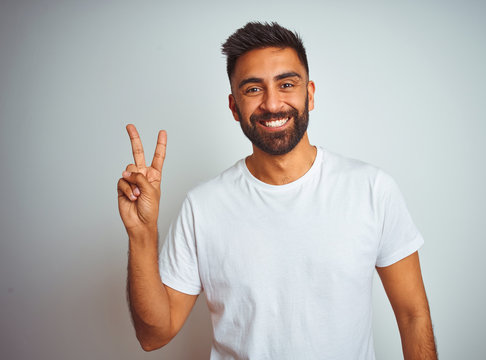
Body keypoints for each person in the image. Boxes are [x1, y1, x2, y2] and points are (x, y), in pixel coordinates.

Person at [117, 22, 437, 360]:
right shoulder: (203, 207)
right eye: (253, 89)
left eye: (286, 84)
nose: (272, 103)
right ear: (234, 106)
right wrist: (142, 234)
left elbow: (413, 314)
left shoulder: (372, 189)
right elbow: (154, 336)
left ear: (309, 94)